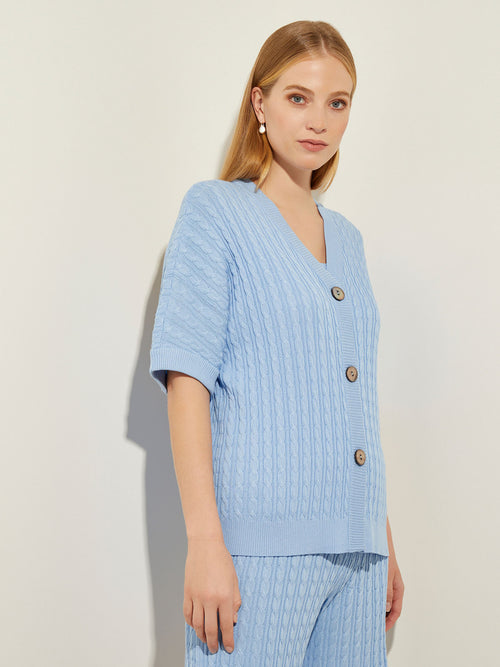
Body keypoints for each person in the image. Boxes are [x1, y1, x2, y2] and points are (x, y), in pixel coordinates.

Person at [149, 19, 404, 666]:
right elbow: (187, 380)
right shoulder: (214, 212)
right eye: (298, 97)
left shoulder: (348, 240)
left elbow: (353, 399)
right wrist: (205, 541)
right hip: (256, 551)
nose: (318, 120)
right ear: (259, 103)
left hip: (360, 557)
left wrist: (381, 537)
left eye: (337, 103)